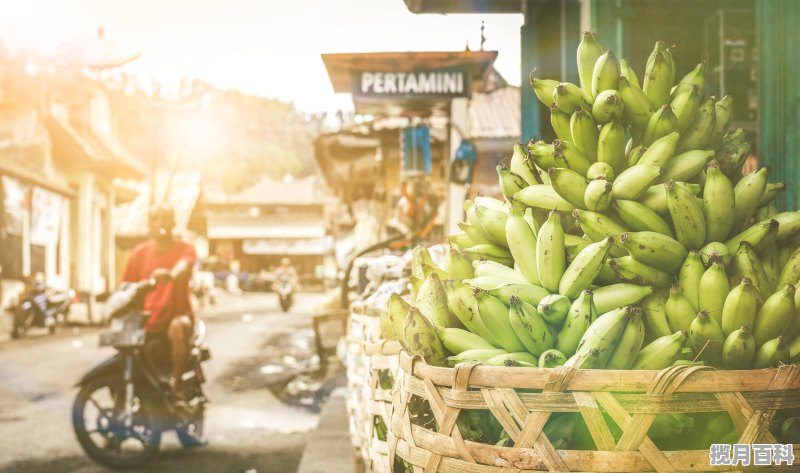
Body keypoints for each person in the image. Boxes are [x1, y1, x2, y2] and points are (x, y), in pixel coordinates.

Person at [121, 204, 196, 404]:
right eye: (155, 218)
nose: (160, 223)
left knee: (178, 328)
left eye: (165, 218)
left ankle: (176, 387)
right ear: (149, 223)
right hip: (146, 319)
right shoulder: (139, 253)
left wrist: (170, 275)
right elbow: (126, 286)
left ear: (173, 223)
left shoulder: (185, 248)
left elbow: (184, 265)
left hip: (177, 316)